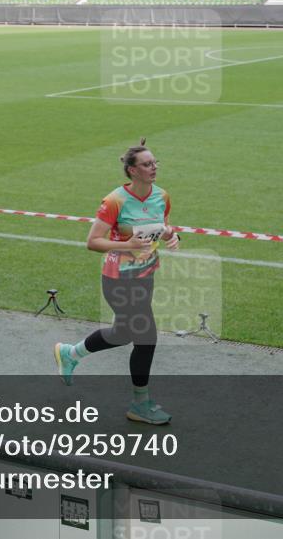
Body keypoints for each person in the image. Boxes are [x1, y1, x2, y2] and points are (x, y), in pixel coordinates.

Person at [54, 138, 180, 425]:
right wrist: (127, 245)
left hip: (146, 274)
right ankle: (140, 404)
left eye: (155, 162)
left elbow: (159, 227)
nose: (154, 167)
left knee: (123, 333)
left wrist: (171, 235)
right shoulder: (114, 201)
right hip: (119, 279)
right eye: (147, 164)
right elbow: (93, 242)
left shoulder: (162, 196)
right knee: (146, 338)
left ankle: (70, 353)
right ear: (132, 171)